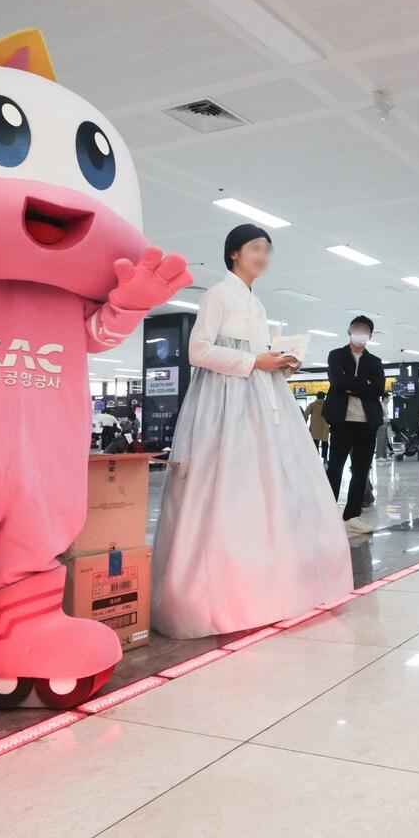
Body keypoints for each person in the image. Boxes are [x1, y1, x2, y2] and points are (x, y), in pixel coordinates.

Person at [151, 224, 353, 639]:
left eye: (267, 250)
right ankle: (225, 591)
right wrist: (252, 362)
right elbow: (198, 350)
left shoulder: (256, 303)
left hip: (261, 400)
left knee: (266, 483)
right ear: (234, 255)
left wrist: (279, 360)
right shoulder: (217, 295)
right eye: (256, 248)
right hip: (224, 402)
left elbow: (254, 353)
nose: (263, 256)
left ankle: (275, 584)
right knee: (227, 481)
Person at [323, 316, 385, 534]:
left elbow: (378, 388)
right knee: (335, 468)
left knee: (360, 471)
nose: (360, 333)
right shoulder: (336, 355)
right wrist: (363, 384)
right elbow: (337, 382)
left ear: (370, 335)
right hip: (341, 421)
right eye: (357, 329)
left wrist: (351, 385)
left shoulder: (375, 362)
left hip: (366, 424)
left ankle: (352, 516)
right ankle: (327, 514)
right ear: (349, 332)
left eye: (365, 330)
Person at [305, 393, 330, 461]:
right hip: (325, 427)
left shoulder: (312, 404)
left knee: (315, 442)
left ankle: (316, 458)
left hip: (314, 427)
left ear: (317, 397)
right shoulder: (327, 405)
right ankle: (325, 458)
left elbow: (306, 413)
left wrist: (305, 422)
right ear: (324, 397)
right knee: (325, 443)